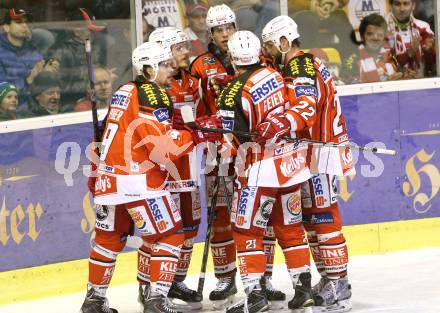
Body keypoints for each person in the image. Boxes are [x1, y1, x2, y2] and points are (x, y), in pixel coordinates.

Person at [79, 41, 218, 313]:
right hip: (138, 182)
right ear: (148, 68)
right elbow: (162, 148)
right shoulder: (153, 94)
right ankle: (156, 299)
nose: (171, 69)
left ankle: (94, 300)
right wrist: (195, 134)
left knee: (108, 240)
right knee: (171, 235)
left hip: (109, 179)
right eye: (164, 65)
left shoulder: (124, 90)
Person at [214, 30, 313, 313]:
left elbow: (230, 143)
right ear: (259, 52)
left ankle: (255, 295)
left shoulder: (231, 92)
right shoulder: (275, 74)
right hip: (290, 166)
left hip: (258, 171)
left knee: (247, 231)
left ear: (232, 58)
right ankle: (303, 288)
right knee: (291, 228)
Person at [262, 15, 353, 312]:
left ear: (284, 42)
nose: (269, 52)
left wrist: (280, 123)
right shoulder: (302, 62)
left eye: (271, 46)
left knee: (324, 217)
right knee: (313, 219)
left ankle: (338, 281)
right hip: (314, 150)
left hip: (321, 151)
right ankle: (329, 276)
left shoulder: (299, 64)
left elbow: (306, 106)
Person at [143, 26, 205, 311]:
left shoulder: (191, 81)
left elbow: (198, 118)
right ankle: (150, 288)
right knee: (159, 231)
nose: (185, 52)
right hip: (160, 168)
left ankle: (175, 280)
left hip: (186, 162)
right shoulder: (148, 89)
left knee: (189, 226)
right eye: (178, 48)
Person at [343, 13, 402, 84]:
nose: (375, 38)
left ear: (384, 37)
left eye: (379, 34)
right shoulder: (351, 60)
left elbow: (402, 78)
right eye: (370, 34)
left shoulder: (392, 56)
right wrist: (386, 81)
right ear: (362, 37)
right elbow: (350, 86)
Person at [386, 0, 436, 78]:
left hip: (419, 82)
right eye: (397, 4)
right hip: (394, 84)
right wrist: (409, 53)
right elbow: (385, 61)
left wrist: (428, 50)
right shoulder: (383, 29)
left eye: (406, 4)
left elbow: (432, 63)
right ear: (391, 6)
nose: (402, 9)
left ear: (413, 6)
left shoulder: (423, 27)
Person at [0, 8, 44, 94]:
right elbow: (2, 91)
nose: (25, 25)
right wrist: (27, 80)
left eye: (26, 22)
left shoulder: (32, 50)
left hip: (35, 104)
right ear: (6, 27)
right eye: (19, 22)